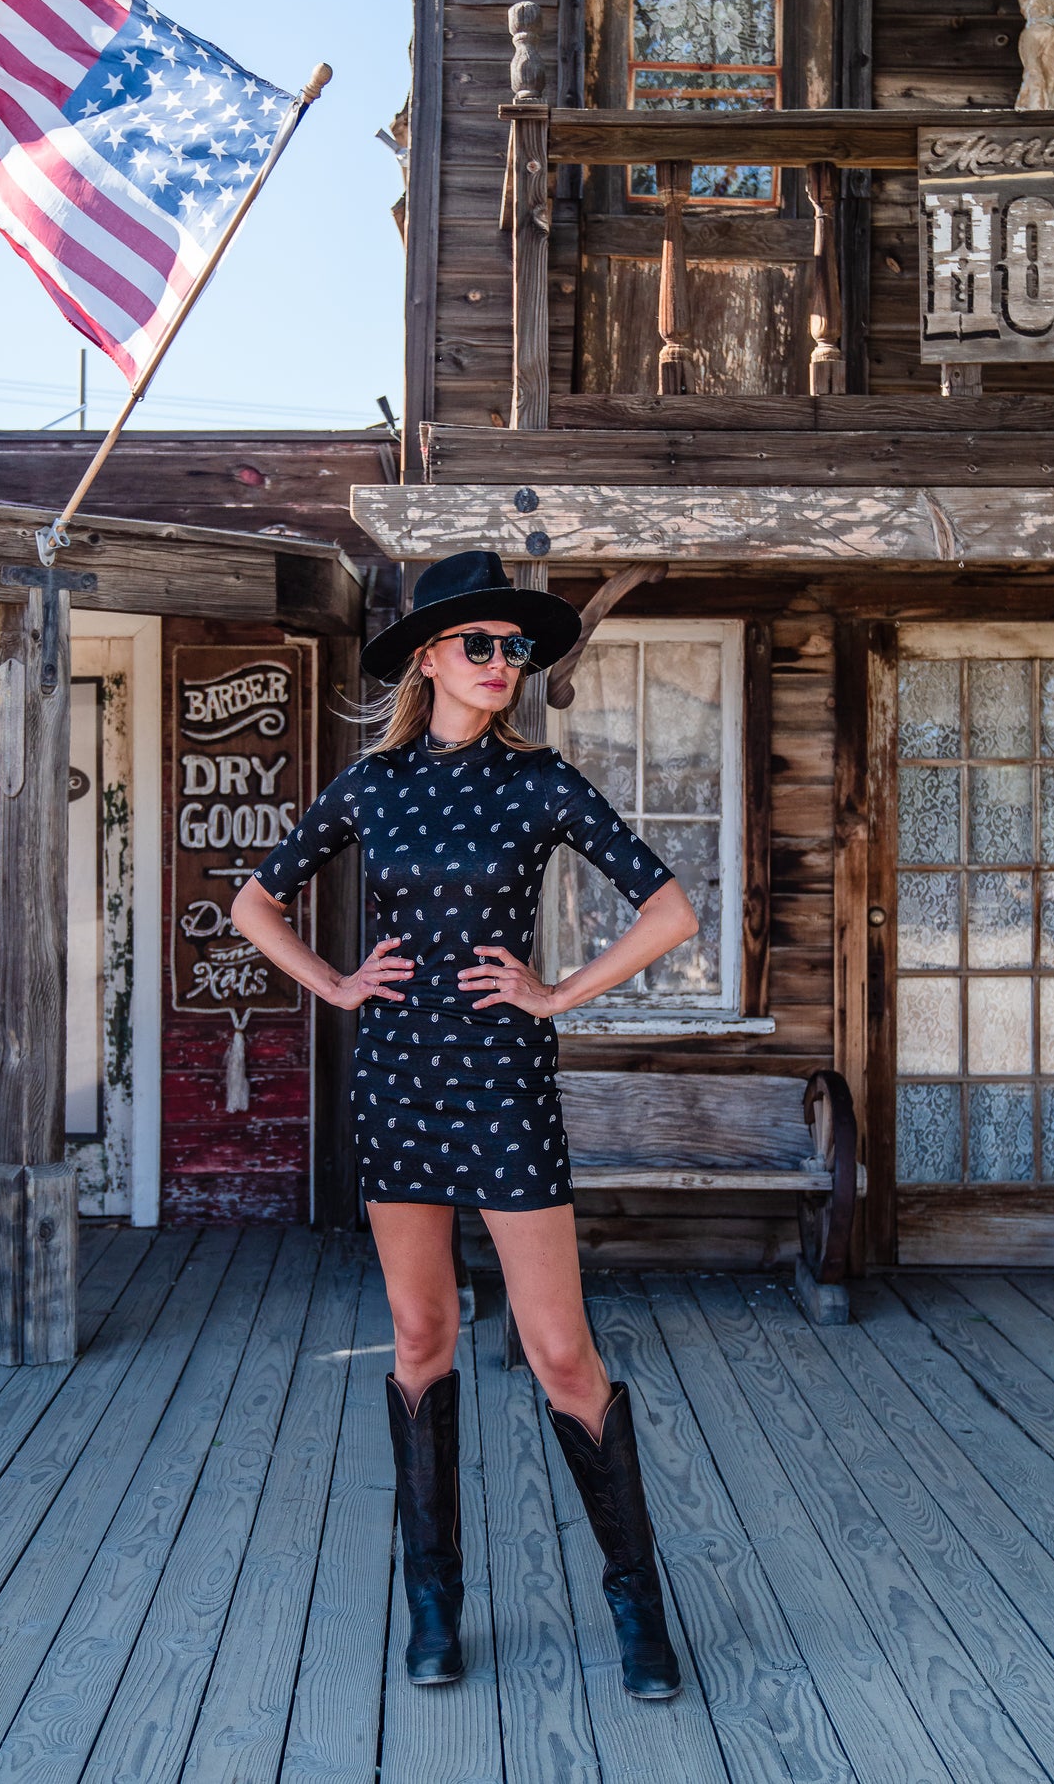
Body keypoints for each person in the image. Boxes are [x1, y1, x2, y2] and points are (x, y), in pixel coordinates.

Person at [231, 549, 698, 1700]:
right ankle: (432, 1603)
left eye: (514, 647)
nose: (501, 663)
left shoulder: (539, 783)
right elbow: (254, 902)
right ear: (429, 659)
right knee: (418, 1337)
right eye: (478, 644)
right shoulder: (370, 787)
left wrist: (557, 992)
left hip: (501, 1083)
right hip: (396, 1080)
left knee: (559, 1352)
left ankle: (636, 1604)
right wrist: (335, 983)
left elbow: (669, 911)